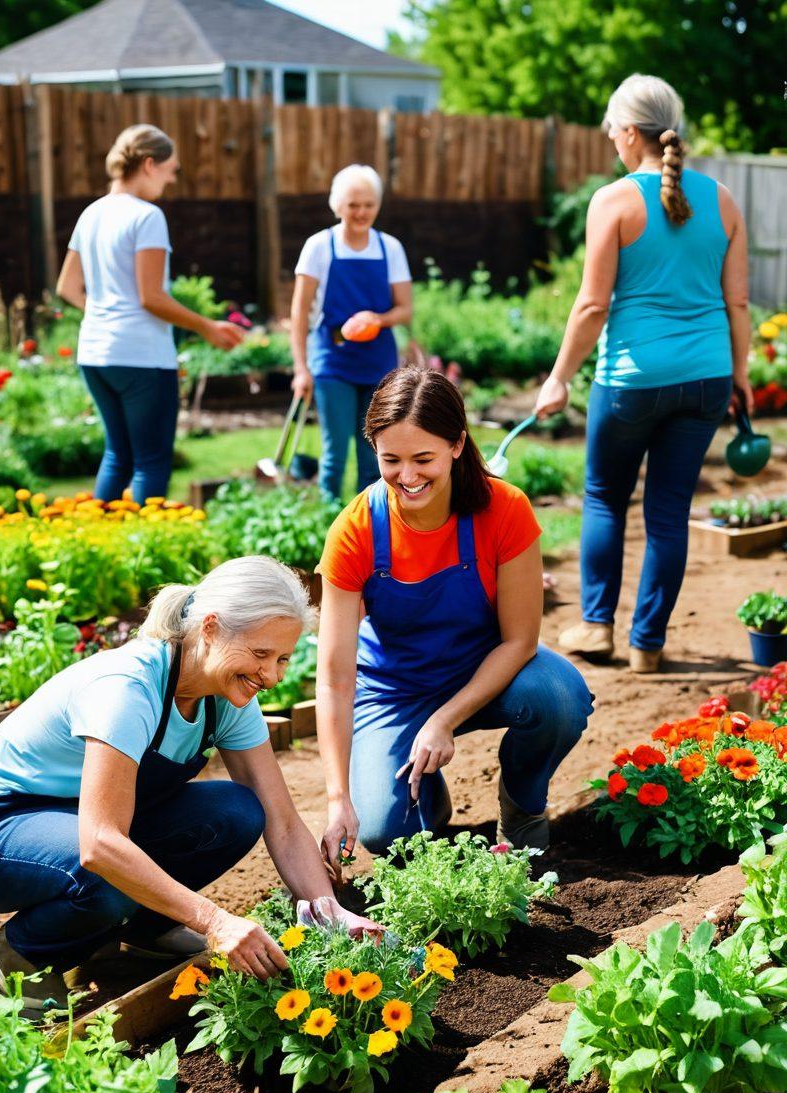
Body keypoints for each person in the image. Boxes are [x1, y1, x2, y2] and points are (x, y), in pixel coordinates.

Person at [0, 558, 378, 1013]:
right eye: (260, 655)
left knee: (237, 811)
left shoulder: (225, 697)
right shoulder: (129, 688)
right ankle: (24, 954)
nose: (272, 676)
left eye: (282, 660)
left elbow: (284, 822)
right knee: (104, 872)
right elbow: (99, 844)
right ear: (211, 629)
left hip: (75, 824)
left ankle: (142, 929)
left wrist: (329, 914)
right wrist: (213, 920)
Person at [315, 366, 593, 867]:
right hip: (395, 689)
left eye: (424, 458)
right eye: (391, 460)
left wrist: (444, 719)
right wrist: (338, 800)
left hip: (487, 670)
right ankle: (426, 795)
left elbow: (520, 642)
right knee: (383, 830)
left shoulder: (503, 510)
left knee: (558, 698)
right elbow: (335, 678)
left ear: (457, 445)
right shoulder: (355, 530)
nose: (408, 476)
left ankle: (523, 806)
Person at [535, 74, 751, 674]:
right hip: (706, 376)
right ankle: (647, 645)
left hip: (632, 380)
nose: (609, 137)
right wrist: (740, 373)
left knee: (604, 498)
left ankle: (597, 628)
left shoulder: (614, 200)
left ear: (631, 132)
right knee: (668, 511)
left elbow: (591, 306)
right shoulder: (724, 200)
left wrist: (558, 377)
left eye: (611, 128)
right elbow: (737, 302)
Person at [56, 124, 245, 504]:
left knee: (117, 455)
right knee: (151, 461)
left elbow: (67, 288)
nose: (171, 179)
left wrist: (108, 314)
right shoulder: (147, 217)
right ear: (148, 164)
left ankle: (99, 543)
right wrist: (207, 327)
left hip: (95, 354)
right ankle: (145, 553)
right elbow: (151, 298)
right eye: (170, 169)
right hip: (141, 358)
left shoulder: (91, 214)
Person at [290, 164, 413, 502]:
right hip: (332, 361)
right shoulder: (319, 246)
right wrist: (301, 369)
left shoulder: (390, 248)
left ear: (378, 205)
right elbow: (299, 312)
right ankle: (327, 525)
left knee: (375, 452)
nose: (361, 212)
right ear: (337, 205)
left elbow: (405, 310)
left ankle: (374, 524)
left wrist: (377, 318)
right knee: (335, 453)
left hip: (378, 364)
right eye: (353, 205)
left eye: (369, 205)